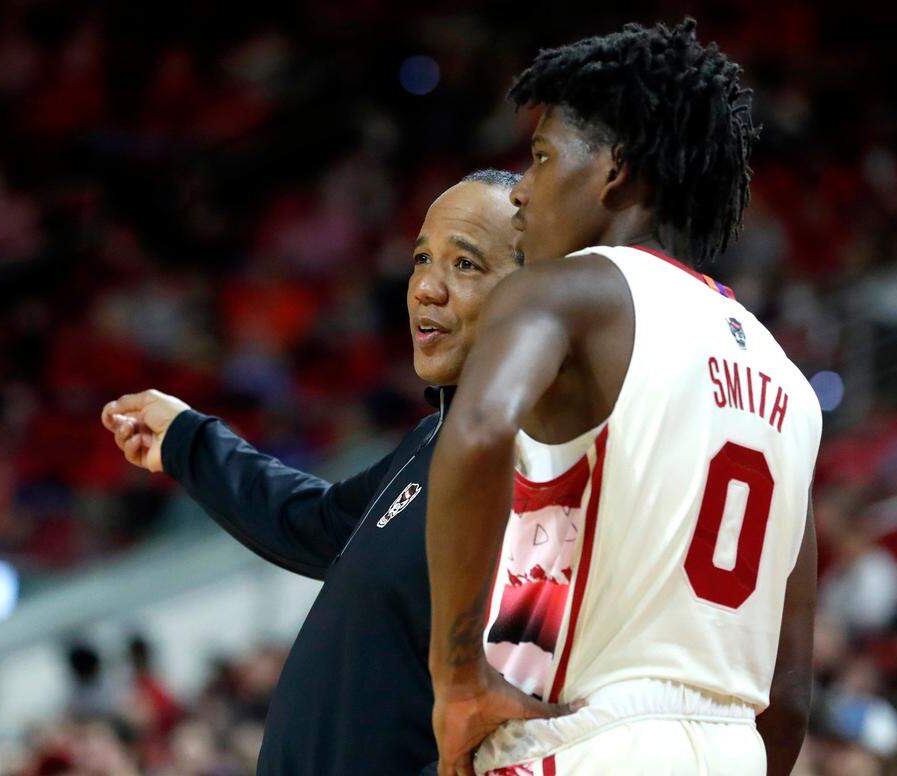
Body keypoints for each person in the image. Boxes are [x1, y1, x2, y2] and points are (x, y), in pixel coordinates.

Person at [425, 20, 821, 776]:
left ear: (615, 170)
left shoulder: (567, 292)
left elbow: (475, 434)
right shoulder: (790, 384)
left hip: (579, 736)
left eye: (540, 158)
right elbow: (791, 691)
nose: (521, 195)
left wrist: (458, 680)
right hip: (734, 748)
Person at [100, 170, 529, 775]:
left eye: (465, 265)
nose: (426, 289)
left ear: (537, 291)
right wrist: (188, 441)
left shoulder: (537, 463)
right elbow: (323, 524)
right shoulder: (437, 440)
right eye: (421, 258)